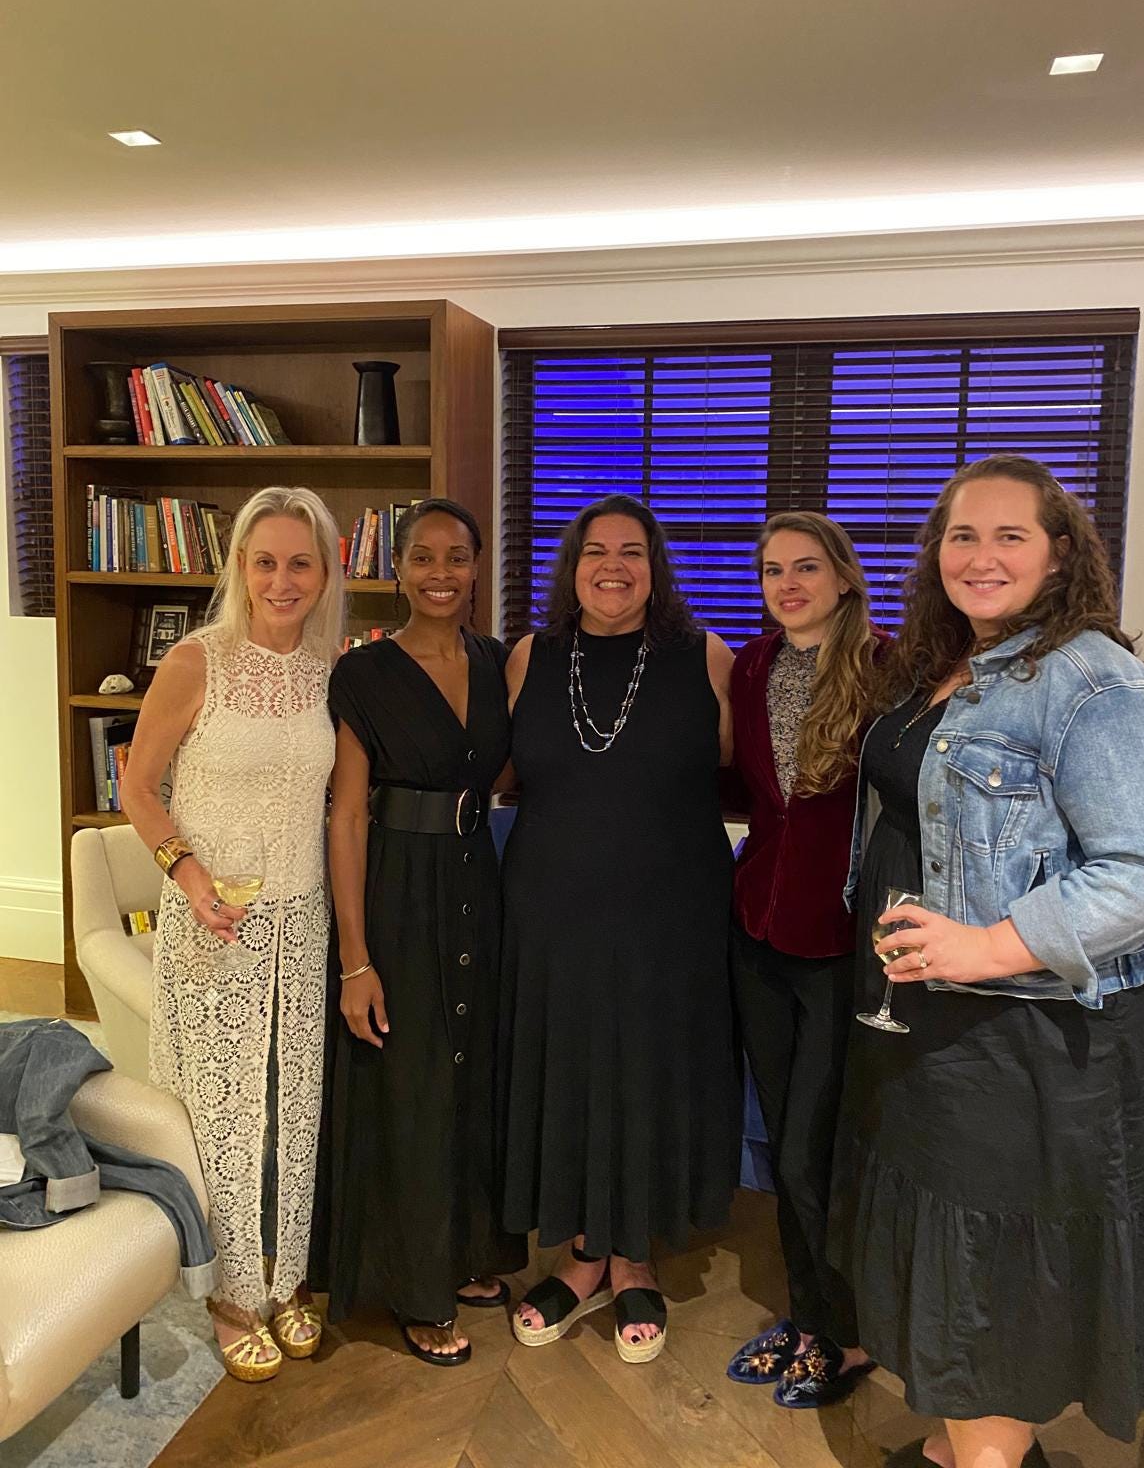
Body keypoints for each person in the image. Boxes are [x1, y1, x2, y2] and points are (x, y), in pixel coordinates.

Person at [828, 454, 1144, 1468]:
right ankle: (965, 1450)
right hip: (945, 1022)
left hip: (1040, 1039)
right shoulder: (950, 661)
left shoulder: (1090, 676)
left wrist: (986, 942)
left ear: (1061, 551)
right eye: (960, 534)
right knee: (960, 1264)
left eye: (1009, 535)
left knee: (997, 1282)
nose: (979, 556)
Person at [500, 493, 741, 1364]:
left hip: (671, 915)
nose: (613, 566)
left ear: (656, 565)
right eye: (596, 551)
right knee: (566, 1070)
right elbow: (489, 769)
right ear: (571, 565)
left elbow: (758, 773)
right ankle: (578, 1254)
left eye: (632, 552)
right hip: (548, 910)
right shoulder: (530, 655)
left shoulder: (703, 655)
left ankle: (635, 1255)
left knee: (646, 1072)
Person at [122, 485, 344, 1382]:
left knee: (294, 1108)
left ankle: (283, 1277)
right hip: (214, 919)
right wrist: (186, 871)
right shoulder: (196, 661)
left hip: (304, 917)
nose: (282, 581)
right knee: (220, 1114)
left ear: (327, 571)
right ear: (240, 570)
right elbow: (138, 786)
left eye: (300, 562)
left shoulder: (334, 666)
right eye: (265, 562)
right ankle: (225, 1290)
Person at [321, 498, 526, 1366]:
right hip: (399, 883)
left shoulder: (497, 661)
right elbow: (346, 817)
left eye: (457, 557)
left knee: (472, 1069)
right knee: (409, 1079)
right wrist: (356, 958)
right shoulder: (364, 674)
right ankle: (412, 1289)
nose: (440, 573)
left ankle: (469, 1252)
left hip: (479, 871)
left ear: (479, 566)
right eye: (422, 558)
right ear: (395, 570)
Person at [725, 512, 882, 1408]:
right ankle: (808, 1312)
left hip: (841, 938)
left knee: (819, 1143)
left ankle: (846, 1334)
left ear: (843, 576)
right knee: (783, 1136)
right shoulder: (752, 666)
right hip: (757, 926)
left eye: (806, 568)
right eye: (773, 570)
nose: (787, 584)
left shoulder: (888, 665)